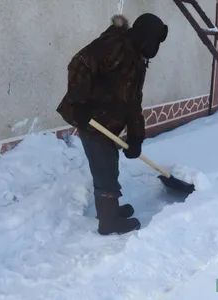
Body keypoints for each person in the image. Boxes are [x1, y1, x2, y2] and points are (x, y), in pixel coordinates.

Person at [56, 13, 168, 235]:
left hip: (109, 124)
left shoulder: (137, 60)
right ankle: (108, 222)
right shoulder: (114, 45)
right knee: (104, 171)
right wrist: (79, 103)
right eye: (155, 41)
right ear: (145, 37)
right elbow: (80, 63)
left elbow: (134, 101)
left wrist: (137, 136)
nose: (155, 48)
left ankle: (109, 210)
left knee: (109, 166)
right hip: (91, 120)